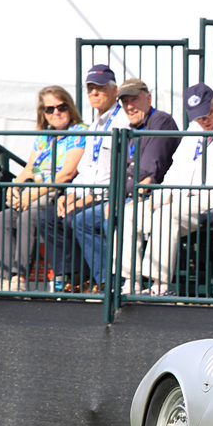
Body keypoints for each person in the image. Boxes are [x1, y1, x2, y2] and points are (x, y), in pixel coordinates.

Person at [126, 83, 213, 296]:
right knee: (131, 213)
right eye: (198, 117)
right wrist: (161, 195)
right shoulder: (195, 129)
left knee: (166, 216)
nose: (203, 120)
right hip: (185, 195)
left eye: (207, 113)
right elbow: (178, 166)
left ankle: (159, 286)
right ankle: (129, 282)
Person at [74, 78, 180, 291]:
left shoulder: (161, 121)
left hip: (153, 198)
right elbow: (122, 173)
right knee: (81, 220)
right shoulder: (130, 128)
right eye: (125, 102)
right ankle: (107, 282)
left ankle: (128, 282)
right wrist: (115, 199)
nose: (130, 106)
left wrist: (125, 199)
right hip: (129, 196)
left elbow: (150, 171)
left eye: (134, 100)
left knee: (113, 222)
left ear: (148, 98)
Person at [40, 64, 130, 292]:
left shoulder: (123, 122)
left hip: (111, 195)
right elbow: (86, 169)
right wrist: (70, 194)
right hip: (91, 193)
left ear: (114, 90)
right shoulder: (95, 125)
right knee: (48, 217)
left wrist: (88, 198)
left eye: (100, 88)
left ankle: (106, 281)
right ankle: (70, 277)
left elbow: (118, 174)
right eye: (90, 89)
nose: (94, 94)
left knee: (78, 219)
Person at [0, 86, 86, 292]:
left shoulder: (79, 133)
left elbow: (67, 173)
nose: (56, 113)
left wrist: (35, 192)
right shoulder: (45, 137)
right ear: (42, 113)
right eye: (49, 109)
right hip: (37, 195)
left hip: (60, 194)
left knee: (29, 217)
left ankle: (21, 277)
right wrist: (14, 188)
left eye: (61, 107)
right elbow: (30, 170)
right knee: (3, 218)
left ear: (69, 107)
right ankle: (6, 276)